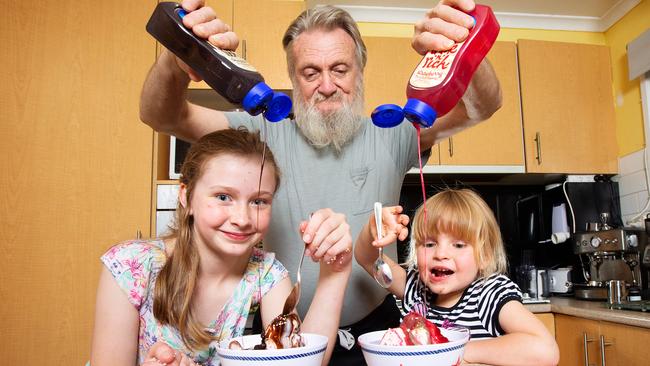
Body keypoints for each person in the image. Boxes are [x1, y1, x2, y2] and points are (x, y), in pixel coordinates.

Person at [139, 0, 502, 363]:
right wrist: (177, 57)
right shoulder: (260, 134)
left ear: (359, 70)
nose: (326, 85)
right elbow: (162, 115)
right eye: (310, 72)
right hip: (281, 332)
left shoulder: (394, 133)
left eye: (340, 69)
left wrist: (462, 50)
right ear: (293, 78)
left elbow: (480, 108)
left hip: (376, 329)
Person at [90, 128, 352, 366]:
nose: (242, 219)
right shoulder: (129, 268)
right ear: (186, 196)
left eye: (259, 201)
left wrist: (336, 272)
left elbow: (301, 362)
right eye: (223, 197)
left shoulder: (265, 274)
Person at [355, 188, 560, 365]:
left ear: (485, 256)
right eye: (429, 244)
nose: (440, 254)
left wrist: (449, 351)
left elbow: (544, 350)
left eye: (459, 245)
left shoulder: (488, 293)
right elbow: (366, 257)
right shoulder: (417, 289)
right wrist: (373, 229)